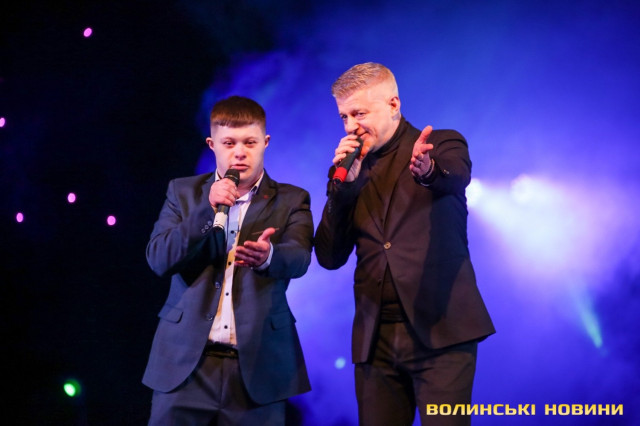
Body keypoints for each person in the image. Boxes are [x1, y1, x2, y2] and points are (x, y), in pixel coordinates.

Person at [315, 63, 495, 426]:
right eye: (344, 116)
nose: (350, 126)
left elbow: (454, 176)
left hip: (441, 332)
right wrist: (342, 192)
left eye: (359, 113)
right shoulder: (349, 171)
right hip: (376, 340)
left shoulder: (439, 144)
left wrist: (428, 171)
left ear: (393, 104)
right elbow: (329, 257)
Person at [143, 95, 313, 425]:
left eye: (250, 142)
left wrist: (269, 256)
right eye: (229, 143)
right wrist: (206, 210)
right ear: (212, 144)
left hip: (257, 369)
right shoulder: (183, 192)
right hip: (184, 368)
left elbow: (300, 257)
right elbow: (159, 259)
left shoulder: (292, 199)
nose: (239, 152)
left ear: (265, 142)